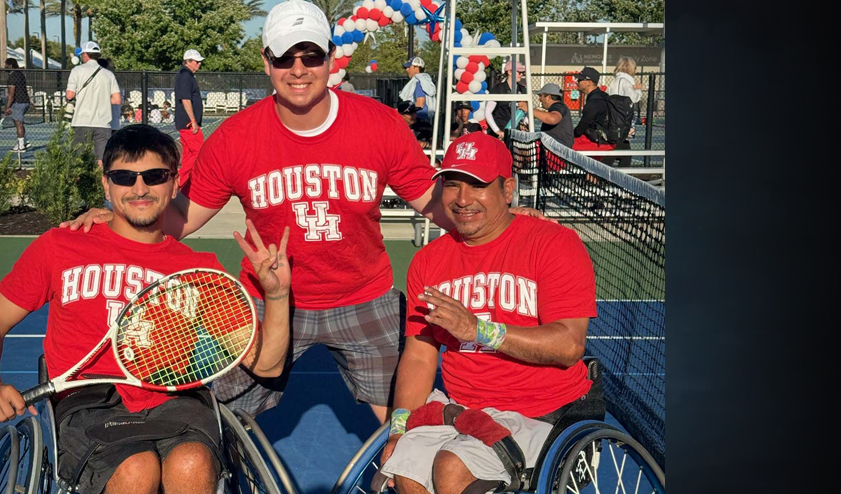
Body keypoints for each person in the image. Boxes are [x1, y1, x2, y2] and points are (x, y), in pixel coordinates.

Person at [61, 0, 552, 424]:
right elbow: (183, 219)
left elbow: (432, 200)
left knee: (407, 424)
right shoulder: (236, 137)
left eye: (311, 55)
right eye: (284, 57)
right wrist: (123, 214)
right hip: (269, 301)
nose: (299, 68)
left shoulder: (378, 125)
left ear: (330, 58)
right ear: (266, 61)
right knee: (221, 424)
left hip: (364, 296)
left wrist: (500, 221)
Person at [0, 124, 293, 494]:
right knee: (136, 468)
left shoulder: (200, 270)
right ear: (106, 184)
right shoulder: (61, 246)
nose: (139, 189)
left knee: (192, 463)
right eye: (124, 177)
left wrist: (277, 296)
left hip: (175, 399)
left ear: (174, 184)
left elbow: (267, 365)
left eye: (154, 176)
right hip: (88, 402)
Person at [376, 132, 599, 494]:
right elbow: (419, 355)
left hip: (543, 415)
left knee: (451, 468)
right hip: (463, 413)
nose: (463, 199)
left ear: (507, 190)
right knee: (407, 471)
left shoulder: (554, 243)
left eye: (477, 185)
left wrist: (479, 330)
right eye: (452, 184)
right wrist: (399, 429)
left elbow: (569, 344)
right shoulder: (428, 262)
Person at [66, 41, 123, 169]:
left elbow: (70, 95)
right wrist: (102, 98)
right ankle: (100, 184)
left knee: (79, 159)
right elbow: (117, 99)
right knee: (102, 160)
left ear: (85, 55)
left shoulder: (77, 70)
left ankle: (82, 185)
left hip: (81, 120)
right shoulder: (109, 74)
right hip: (103, 123)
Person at [605, 57, 645, 167]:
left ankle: (600, 177)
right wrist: (638, 89)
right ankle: (616, 179)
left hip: (614, 119)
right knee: (622, 153)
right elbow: (633, 98)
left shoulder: (614, 81)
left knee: (618, 150)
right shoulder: (626, 82)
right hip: (622, 121)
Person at [175, 48, 206, 185]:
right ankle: (180, 181)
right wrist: (193, 120)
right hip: (188, 123)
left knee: (188, 154)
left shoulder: (186, 75)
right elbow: (186, 99)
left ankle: (184, 183)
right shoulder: (185, 75)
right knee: (199, 151)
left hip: (187, 122)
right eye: (196, 61)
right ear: (188, 61)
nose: (199, 64)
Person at [571, 67, 616, 156]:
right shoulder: (603, 96)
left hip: (601, 143)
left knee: (565, 146)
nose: (577, 82)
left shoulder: (594, 102)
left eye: (580, 79)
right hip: (604, 138)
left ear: (589, 83)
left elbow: (580, 130)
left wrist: (570, 135)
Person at [484, 58, 528, 141]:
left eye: (522, 72)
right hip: (501, 133)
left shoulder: (523, 89)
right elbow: (488, 112)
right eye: (519, 72)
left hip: (517, 133)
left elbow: (526, 111)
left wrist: (525, 123)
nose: (521, 75)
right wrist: (497, 131)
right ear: (509, 72)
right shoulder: (497, 89)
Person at [529, 83, 574, 149]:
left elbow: (552, 119)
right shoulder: (556, 108)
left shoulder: (558, 106)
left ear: (548, 97)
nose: (539, 99)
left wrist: (529, 109)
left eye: (540, 96)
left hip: (559, 151)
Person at [4, 58, 32, 152]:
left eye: (6, 65)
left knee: (18, 123)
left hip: (19, 103)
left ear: (10, 66)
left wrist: (7, 107)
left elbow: (11, 94)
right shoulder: (21, 74)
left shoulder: (12, 77)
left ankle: (21, 146)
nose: (4, 67)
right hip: (25, 102)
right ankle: (26, 141)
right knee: (18, 122)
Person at [400, 56, 437, 123]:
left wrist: (406, 113)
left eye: (409, 67)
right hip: (425, 120)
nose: (407, 70)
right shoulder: (425, 81)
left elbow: (420, 104)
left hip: (418, 120)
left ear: (416, 68)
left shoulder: (418, 82)